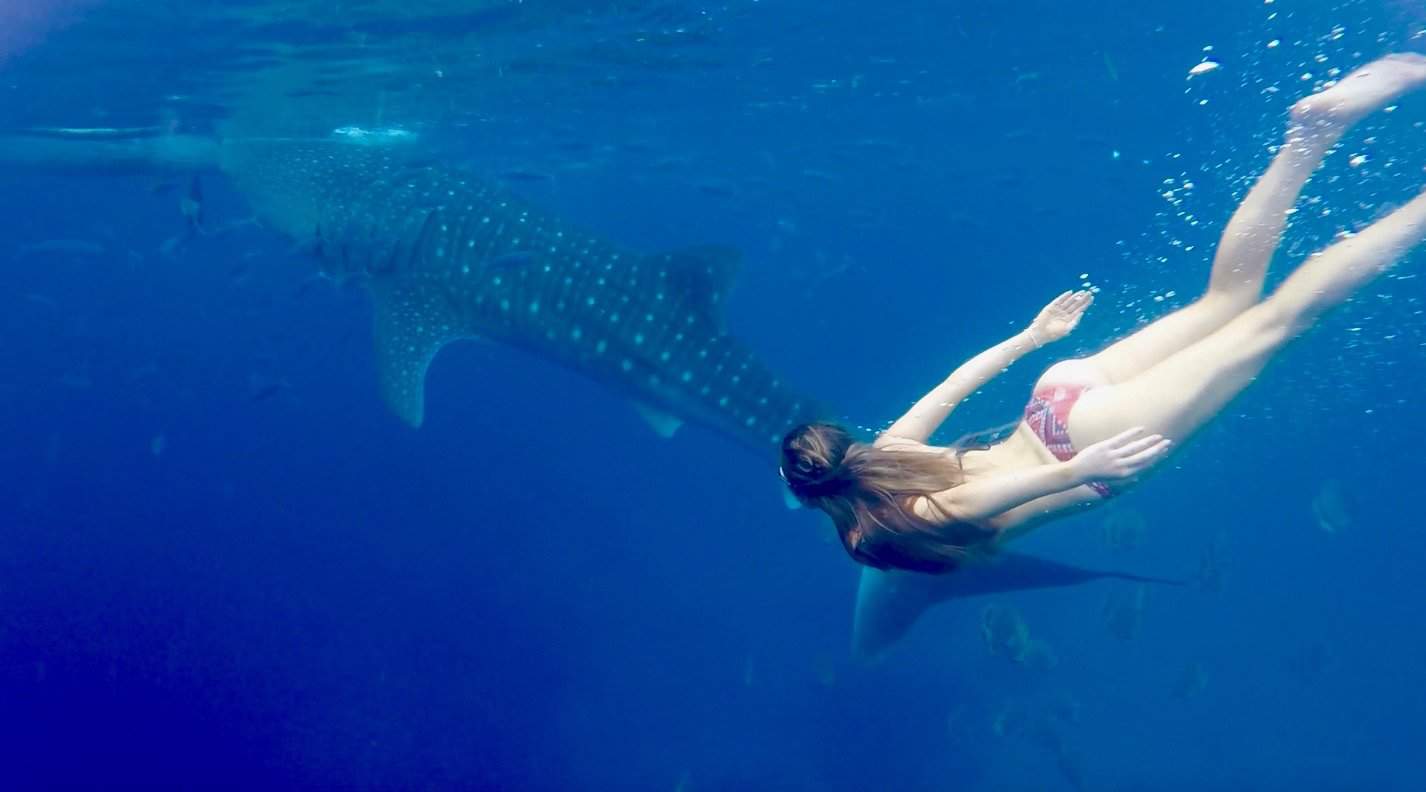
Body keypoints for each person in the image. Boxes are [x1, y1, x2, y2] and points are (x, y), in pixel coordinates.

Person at [781, 53, 1426, 574]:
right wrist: (1033, 338)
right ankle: (1307, 139)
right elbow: (956, 383)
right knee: (1227, 300)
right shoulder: (888, 450)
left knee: (1279, 321)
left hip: (1091, 445)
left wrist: (1075, 472)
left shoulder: (884, 529)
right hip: (1054, 397)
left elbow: (976, 501)